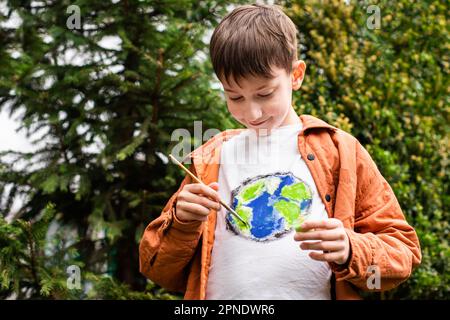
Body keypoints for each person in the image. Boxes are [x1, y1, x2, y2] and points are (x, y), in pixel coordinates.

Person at [139, 3, 421, 300]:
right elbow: (157, 269)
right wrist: (182, 224)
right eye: (235, 97)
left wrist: (351, 249)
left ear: (296, 75)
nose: (253, 111)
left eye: (265, 93)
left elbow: (403, 251)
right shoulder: (212, 158)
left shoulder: (340, 151)